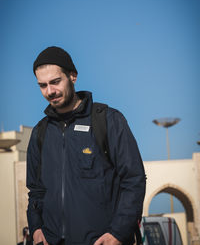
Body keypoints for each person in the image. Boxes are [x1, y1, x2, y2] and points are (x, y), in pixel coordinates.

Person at [26, 46, 146, 245]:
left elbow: (133, 179)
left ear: (72, 76)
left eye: (55, 82)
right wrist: (36, 229)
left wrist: (118, 233)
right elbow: (36, 191)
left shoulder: (108, 121)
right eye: (42, 85)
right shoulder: (41, 132)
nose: (50, 91)